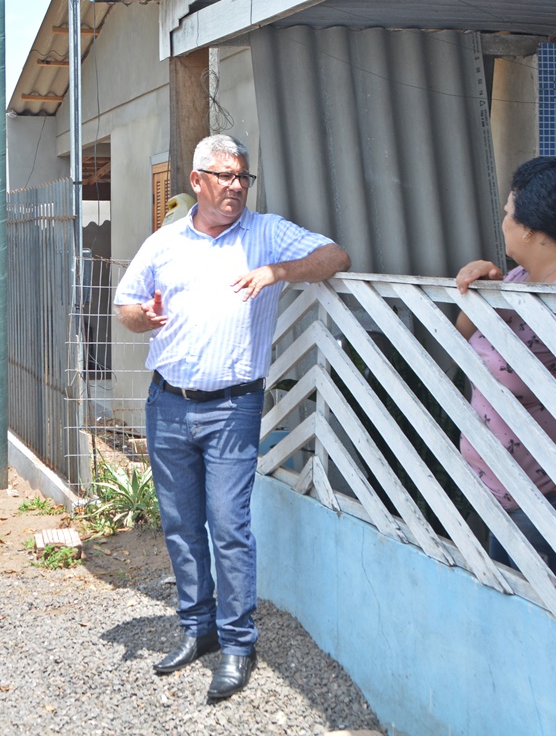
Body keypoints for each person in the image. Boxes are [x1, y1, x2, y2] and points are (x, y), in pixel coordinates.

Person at [113, 134, 350, 700]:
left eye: (243, 176)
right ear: (197, 181)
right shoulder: (165, 242)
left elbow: (335, 258)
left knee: (229, 526)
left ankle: (238, 643)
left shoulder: (266, 233)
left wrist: (277, 272)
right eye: (225, 176)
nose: (236, 186)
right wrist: (143, 318)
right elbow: (125, 305)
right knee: (180, 524)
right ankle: (198, 629)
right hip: (169, 404)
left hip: (232, 406)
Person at [455, 156, 556, 590]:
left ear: (529, 227)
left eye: (509, 212)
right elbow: (460, 341)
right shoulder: (519, 278)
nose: (504, 221)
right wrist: (478, 290)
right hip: (501, 493)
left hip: (547, 500)